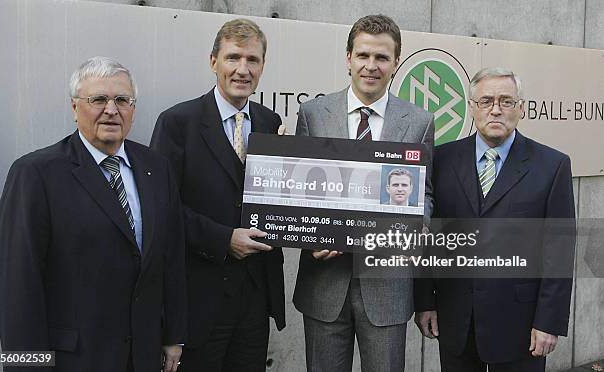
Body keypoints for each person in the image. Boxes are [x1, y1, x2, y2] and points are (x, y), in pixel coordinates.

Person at [0, 56, 186, 372]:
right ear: (74, 108)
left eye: (122, 100)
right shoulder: (35, 174)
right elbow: (18, 288)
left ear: (133, 109)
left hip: (143, 356)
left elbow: (171, 258)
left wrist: (174, 335)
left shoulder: (157, 168)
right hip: (74, 360)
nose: (112, 109)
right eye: (98, 99)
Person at [292, 14, 434, 372]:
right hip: (324, 284)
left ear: (396, 63)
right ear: (348, 58)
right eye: (363, 55)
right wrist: (310, 237)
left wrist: (410, 230)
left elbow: (425, 194)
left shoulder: (419, 122)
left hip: (387, 287)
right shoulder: (312, 114)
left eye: (382, 58)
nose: (371, 66)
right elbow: (300, 194)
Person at [414, 67, 576, 372]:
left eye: (506, 101)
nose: (496, 110)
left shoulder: (552, 166)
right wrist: (425, 302)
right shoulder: (442, 160)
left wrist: (549, 322)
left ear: (522, 108)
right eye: (486, 101)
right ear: (472, 107)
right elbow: (429, 240)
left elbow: (559, 251)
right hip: (455, 318)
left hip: (522, 325)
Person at [150, 18, 285, 372]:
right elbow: (162, 210)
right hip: (201, 297)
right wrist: (223, 239)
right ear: (213, 62)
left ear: (262, 66)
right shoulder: (177, 123)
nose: (243, 69)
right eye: (233, 58)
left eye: (252, 60)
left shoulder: (271, 122)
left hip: (256, 298)